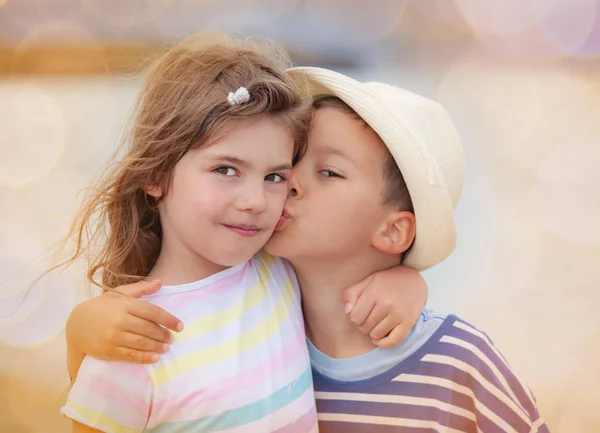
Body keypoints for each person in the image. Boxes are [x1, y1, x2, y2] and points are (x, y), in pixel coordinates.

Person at [58, 34, 428, 433]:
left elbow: (345, 262)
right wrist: (79, 332)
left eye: (274, 176)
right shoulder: (133, 340)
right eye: (226, 170)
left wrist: (407, 280)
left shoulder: (274, 269)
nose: (256, 201)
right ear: (156, 174)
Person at [264, 67, 550, 432]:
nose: (290, 180)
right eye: (294, 157)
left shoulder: (459, 364)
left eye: (330, 172)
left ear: (393, 230)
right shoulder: (254, 333)